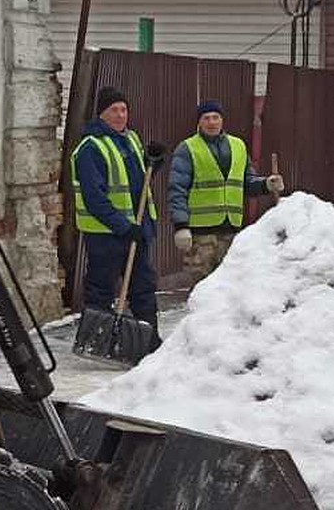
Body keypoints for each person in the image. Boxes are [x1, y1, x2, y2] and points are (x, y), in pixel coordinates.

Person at [71, 86, 165, 337]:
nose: (120, 115)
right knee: (101, 289)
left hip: (135, 230)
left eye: (124, 109)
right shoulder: (90, 148)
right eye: (114, 110)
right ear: (102, 114)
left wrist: (154, 161)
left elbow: (139, 181)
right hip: (106, 235)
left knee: (143, 287)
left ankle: (149, 339)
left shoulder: (130, 139)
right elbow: (95, 198)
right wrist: (124, 227)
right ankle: (97, 339)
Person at [168, 100, 284, 274]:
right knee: (202, 289)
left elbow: (246, 182)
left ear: (222, 120)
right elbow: (177, 190)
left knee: (228, 291)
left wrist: (266, 184)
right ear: (199, 122)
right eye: (206, 118)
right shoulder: (187, 149)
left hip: (231, 232)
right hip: (201, 235)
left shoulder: (238, 146)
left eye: (216, 117)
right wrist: (181, 226)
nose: (212, 122)